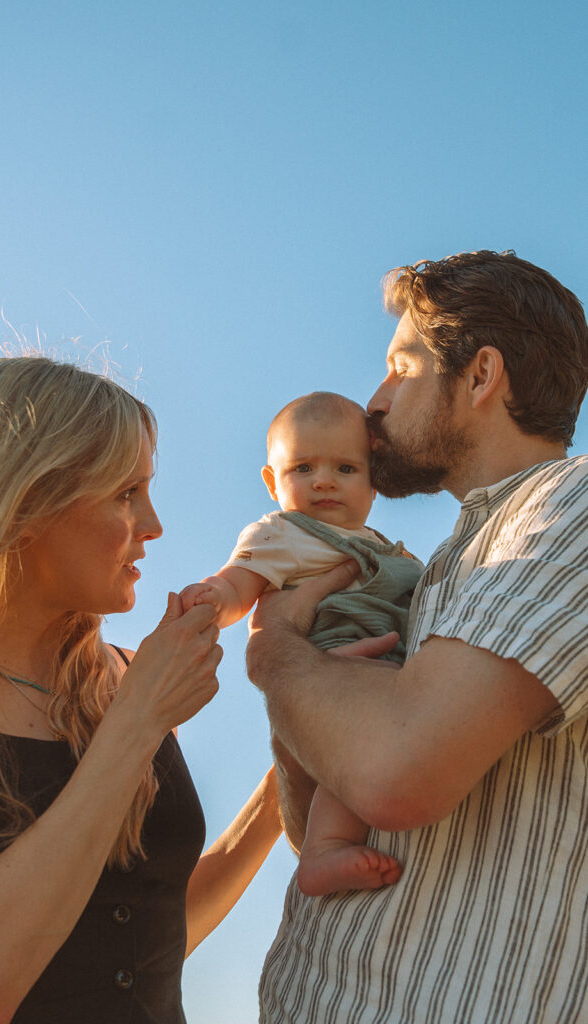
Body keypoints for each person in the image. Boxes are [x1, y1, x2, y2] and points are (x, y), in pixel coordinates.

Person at [247, 250, 588, 1024]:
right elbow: (318, 827)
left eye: (400, 369)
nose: (372, 403)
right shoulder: (441, 567)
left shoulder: (572, 506)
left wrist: (276, 657)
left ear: (480, 376)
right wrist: (311, 699)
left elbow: (396, 774)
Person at [0, 355, 282, 1024]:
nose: (154, 524)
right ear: (25, 502)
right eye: (126, 493)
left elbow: (145, 941)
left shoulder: (125, 678)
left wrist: (281, 796)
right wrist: (139, 719)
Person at [180, 391, 423, 896]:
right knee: (349, 740)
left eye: (346, 469)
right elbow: (240, 581)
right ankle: (325, 847)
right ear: (273, 482)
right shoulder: (283, 533)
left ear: (375, 480)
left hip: (391, 661)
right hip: (330, 659)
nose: (324, 481)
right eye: (304, 468)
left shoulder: (386, 549)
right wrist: (214, 597)